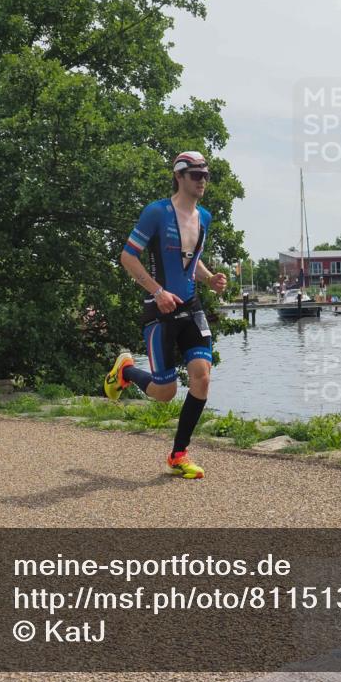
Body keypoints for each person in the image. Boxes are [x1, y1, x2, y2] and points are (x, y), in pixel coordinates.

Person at [103, 151, 227, 479]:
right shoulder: (156, 212)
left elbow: (192, 259)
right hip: (160, 310)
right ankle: (126, 372)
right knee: (165, 393)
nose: (203, 181)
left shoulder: (205, 217)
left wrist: (209, 277)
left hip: (191, 306)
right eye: (196, 175)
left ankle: (178, 455)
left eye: (206, 175)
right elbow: (128, 257)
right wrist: (157, 292)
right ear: (179, 176)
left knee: (202, 378)